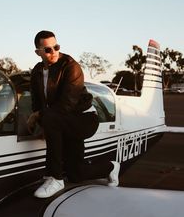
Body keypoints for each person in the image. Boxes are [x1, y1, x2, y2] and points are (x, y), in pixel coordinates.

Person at [27, 30, 120, 198]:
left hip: (84, 119)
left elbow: (66, 104)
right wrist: (40, 120)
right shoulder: (37, 72)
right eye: (48, 49)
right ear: (38, 52)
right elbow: (37, 102)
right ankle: (111, 167)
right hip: (63, 120)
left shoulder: (71, 66)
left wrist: (39, 117)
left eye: (56, 47)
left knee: (51, 118)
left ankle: (54, 177)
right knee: (76, 175)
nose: (54, 52)